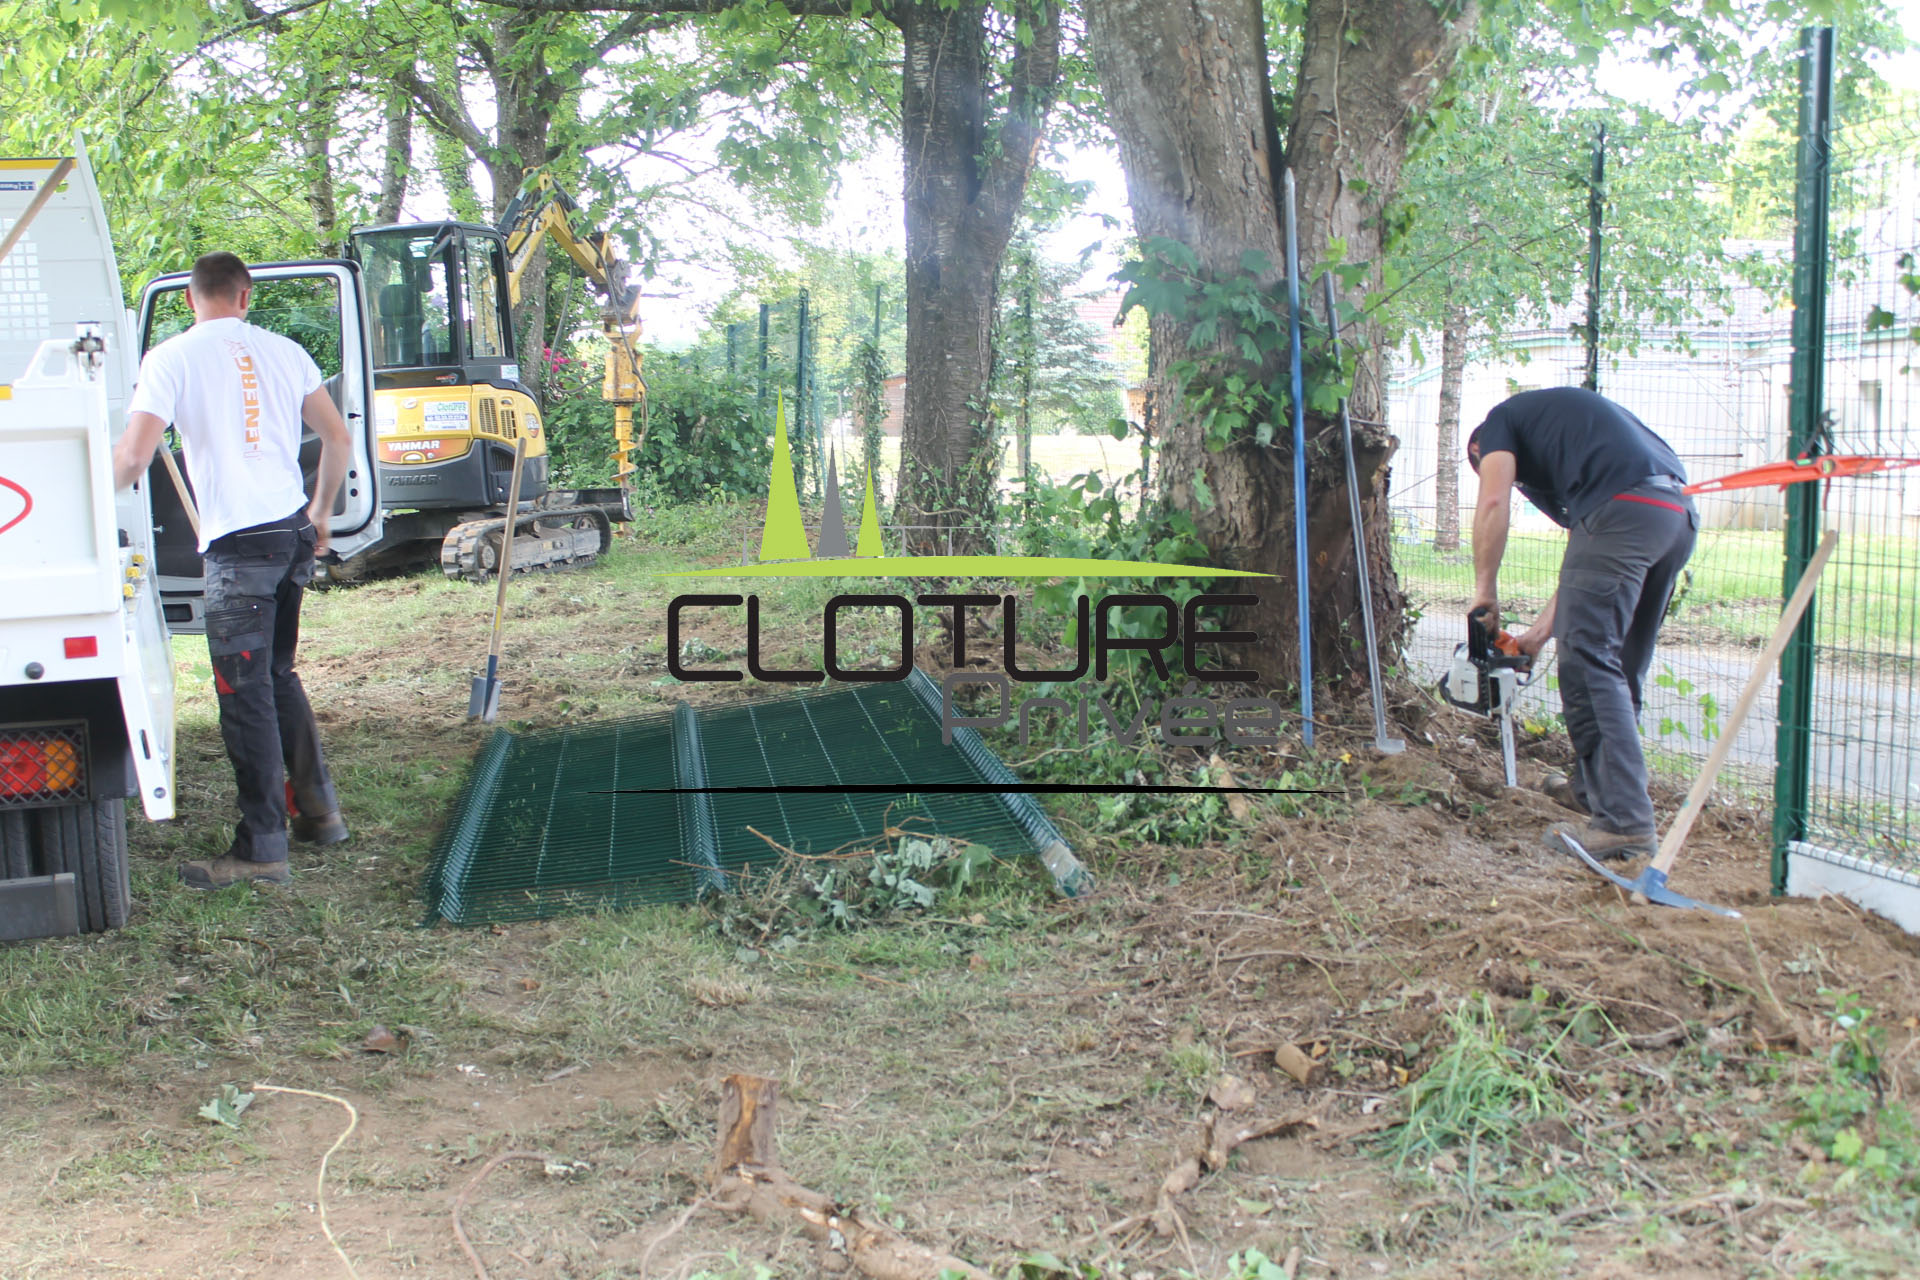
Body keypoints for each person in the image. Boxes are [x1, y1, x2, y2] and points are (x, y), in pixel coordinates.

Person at [113, 251, 352, 888]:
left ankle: (263, 849)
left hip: (240, 548)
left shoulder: (170, 358)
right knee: (276, 675)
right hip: (292, 532)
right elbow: (337, 438)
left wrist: (68, 496)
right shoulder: (285, 351)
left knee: (243, 697)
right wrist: (322, 510)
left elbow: (134, 459)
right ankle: (320, 813)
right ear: (246, 298)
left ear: (192, 300)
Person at [1466, 386, 1698, 861]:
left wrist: (1485, 590)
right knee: (1618, 666)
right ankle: (1597, 794)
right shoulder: (1581, 447)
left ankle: (1624, 824)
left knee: (1589, 665)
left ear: (1479, 450)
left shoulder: (1498, 424)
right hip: (1675, 517)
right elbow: (1587, 559)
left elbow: (1492, 503)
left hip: (1626, 515)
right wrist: (1535, 635)